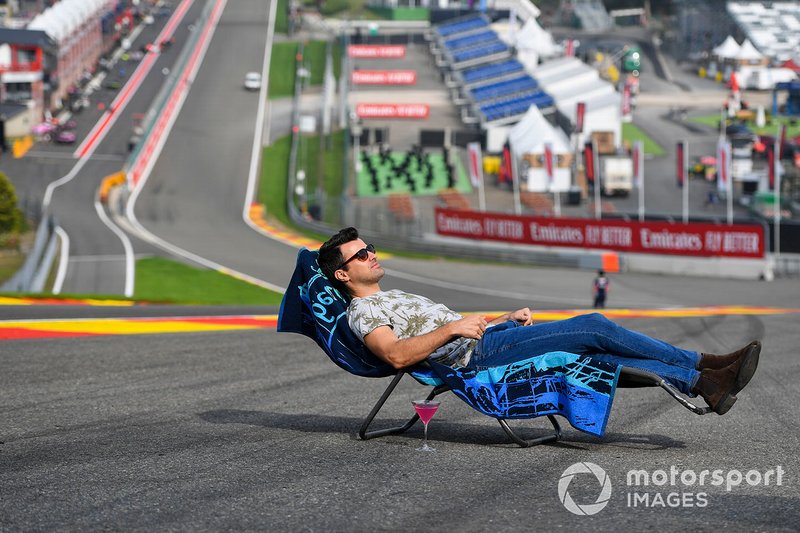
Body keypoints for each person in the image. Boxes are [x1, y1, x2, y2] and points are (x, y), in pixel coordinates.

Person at [317, 228, 761, 416]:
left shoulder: (391, 296)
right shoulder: (364, 312)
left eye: (369, 247)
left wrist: (502, 319)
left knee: (598, 351)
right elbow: (395, 355)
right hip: (478, 360)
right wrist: (453, 329)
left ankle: (703, 380)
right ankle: (704, 364)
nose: (371, 254)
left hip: (490, 340)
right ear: (343, 274)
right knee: (594, 326)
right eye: (361, 254)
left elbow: (454, 325)